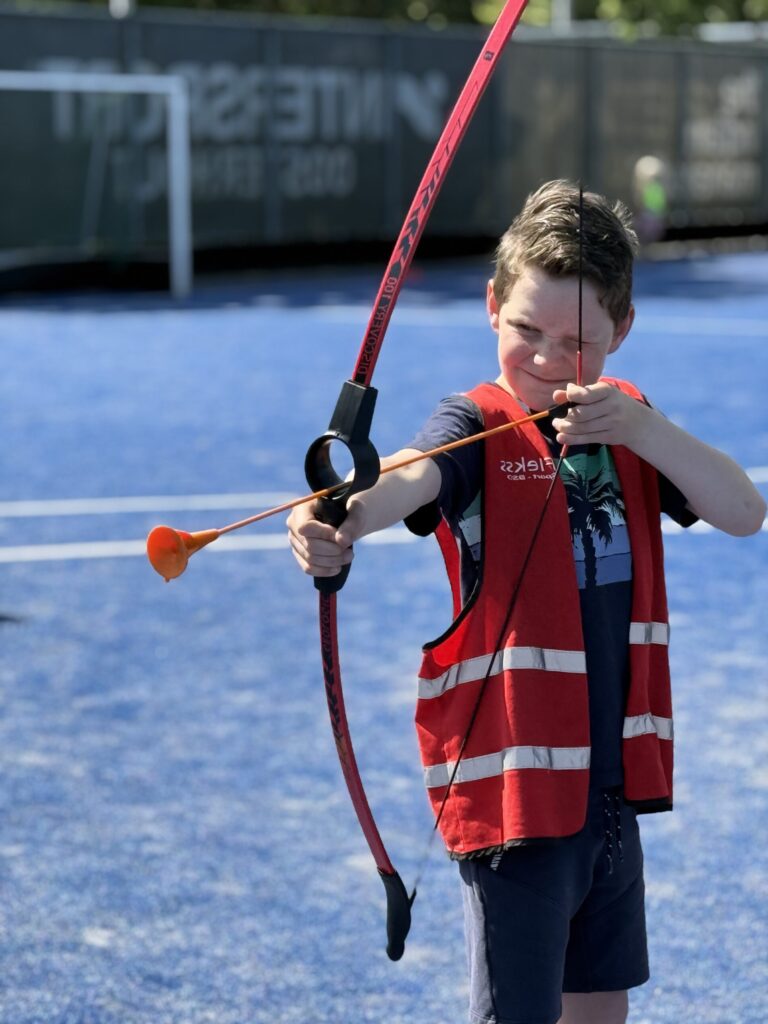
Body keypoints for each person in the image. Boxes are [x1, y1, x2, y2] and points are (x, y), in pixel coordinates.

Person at [287, 180, 766, 1024]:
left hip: (611, 800)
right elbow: (410, 475)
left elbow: (742, 510)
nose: (546, 359)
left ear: (621, 331)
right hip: (516, 803)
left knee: (599, 1011)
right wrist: (338, 516)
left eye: (575, 342)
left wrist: (645, 430)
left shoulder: (629, 426)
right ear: (491, 306)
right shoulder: (474, 420)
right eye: (525, 330)